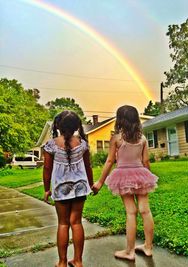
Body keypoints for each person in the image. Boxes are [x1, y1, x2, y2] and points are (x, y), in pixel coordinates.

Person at [92, 105, 158, 261]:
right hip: (141, 174)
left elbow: (110, 160)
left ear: (120, 120)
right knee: (145, 210)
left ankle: (130, 251)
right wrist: (147, 176)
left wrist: (100, 182)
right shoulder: (141, 138)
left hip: (122, 176)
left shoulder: (117, 138)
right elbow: (146, 161)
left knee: (131, 212)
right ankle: (148, 247)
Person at [43, 110, 93, 267]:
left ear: (57, 125)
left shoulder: (51, 145)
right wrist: (90, 184)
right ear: (77, 126)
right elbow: (88, 166)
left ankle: (62, 262)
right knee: (76, 222)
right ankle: (78, 261)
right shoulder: (83, 144)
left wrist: (46, 189)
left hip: (61, 188)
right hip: (80, 187)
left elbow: (46, 169)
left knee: (63, 224)